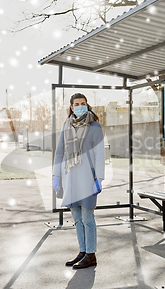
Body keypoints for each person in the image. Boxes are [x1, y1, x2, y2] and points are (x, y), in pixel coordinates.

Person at [52, 93, 105, 269]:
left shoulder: (95, 126)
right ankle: (83, 252)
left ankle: (91, 254)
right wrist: (56, 175)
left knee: (87, 217)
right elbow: (59, 152)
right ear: (72, 107)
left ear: (87, 105)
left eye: (83, 103)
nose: (80, 106)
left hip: (88, 178)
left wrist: (99, 178)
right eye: (77, 104)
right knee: (77, 218)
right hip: (70, 179)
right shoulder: (66, 125)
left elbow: (99, 154)